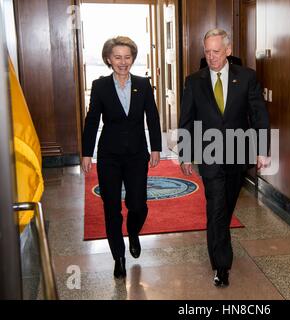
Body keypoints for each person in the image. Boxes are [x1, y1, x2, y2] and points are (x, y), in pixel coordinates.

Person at [178, 29, 270, 287]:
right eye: (207, 52)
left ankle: (221, 240)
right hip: (209, 154)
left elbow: (258, 114)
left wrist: (262, 149)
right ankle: (221, 265)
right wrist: (186, 154)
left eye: (216, 51)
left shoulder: (247, 77)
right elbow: (186, 120)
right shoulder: (194, 81)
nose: (211, 57)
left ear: (228, 50)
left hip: (237, 153)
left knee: (227, 205)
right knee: (216, 206)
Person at [81, 36, 162, 279]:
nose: (123, 62)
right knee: (111, 207)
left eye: (127, 57)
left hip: (137, 154)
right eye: (118, 57)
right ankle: (118, 256)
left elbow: (153, 117)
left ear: (133, 59)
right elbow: (92, 120)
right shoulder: (100, 86)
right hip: (109, 156)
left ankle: (134, 232)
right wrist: (87, 152)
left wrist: (156, 147)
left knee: (138, 205)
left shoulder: (143, 84)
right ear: (109, 59)